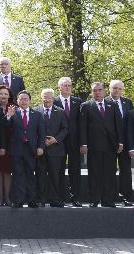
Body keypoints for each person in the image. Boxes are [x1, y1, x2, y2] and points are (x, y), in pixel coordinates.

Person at [80, 81, 122, 207]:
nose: (97, 93)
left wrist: (120, 142)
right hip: (93, 145)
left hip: (110, 145)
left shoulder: (112, 105)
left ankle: (108, 200)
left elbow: (118, 125)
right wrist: (84, 144)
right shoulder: (86, 106)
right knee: (94, 173)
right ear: (92, 92)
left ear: (104, 91)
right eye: (94, 90)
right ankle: (94, 199)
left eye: (99, 90)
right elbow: (82, 127)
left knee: (109, 173)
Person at [6, 90, 45, 207]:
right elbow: (5, 128)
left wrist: (40, 147)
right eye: (21, 99)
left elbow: (41, 133)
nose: (23, 101)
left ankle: (32, 200)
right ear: (17, 101)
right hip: (16, 149)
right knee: (18, 175)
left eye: (26, 99)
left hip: (31, 149)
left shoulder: (37, 114)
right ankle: (18, 200)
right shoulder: (13, 113)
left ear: (30, 101)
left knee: (30, 175)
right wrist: (8, 116)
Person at [53, 76, 84, 207]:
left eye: (69, 85)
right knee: (58, 170)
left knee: (75, 170)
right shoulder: (53, 101)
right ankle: (59, 197)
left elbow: (82, 124)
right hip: (58, 141)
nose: (67, 87)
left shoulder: (78, 102)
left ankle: (75, 197)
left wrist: (83, 142)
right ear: (59, 87)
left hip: (74, 141)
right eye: (64, 85)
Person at [37, 88, 68, 208]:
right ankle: (41, 199)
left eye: (50, 97)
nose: (47, 99)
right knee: (41, 176)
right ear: (41, 97)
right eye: (45, 96)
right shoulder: (36, 111)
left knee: (55, 176)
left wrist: (55, 139)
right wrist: (41, 141)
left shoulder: (60, 112)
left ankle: (55, 199)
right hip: (41, 150)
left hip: (56, 150)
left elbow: (65, 129)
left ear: (53, 98)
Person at [107, 79, 134, 206]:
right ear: (109, 89)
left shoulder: (128, 103)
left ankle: (126, 196)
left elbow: (131, 123)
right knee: (110, 170)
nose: (117, 91)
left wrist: (125, 142)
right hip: (109, 143)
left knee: (126, 170)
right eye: (114, 88)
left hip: (125, 142)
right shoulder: (105, 102)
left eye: (119, 88)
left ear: (122, 90)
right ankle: (111, 196)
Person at [0, 85, 14, 206]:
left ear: (9, 96)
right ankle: (0, 197)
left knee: (7, 171)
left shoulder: (14, 108)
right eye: (1, 94)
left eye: (6, 94)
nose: (3, 96)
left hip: (10, 143)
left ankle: (7, 197)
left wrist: (9, 116)